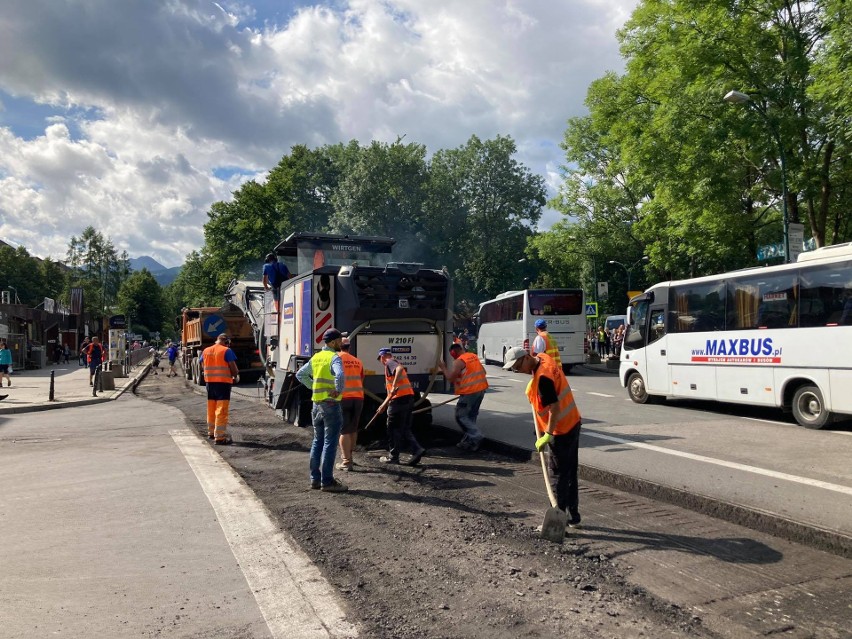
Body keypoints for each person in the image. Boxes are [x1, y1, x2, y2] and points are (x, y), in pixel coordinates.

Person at [503, 345, 582, 528]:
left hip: (560, 430)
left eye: (516, 367)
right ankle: (573, 516)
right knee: (569, 473)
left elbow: (554, 408)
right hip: (573, 422)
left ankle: (558, 520)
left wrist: (547, 434)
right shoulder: (543, 358)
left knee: (557, 477)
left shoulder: (543, 378)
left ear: (526, 358)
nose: (516, 371)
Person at [295, 328, 349, 492]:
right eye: (340, 340)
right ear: (333, 342)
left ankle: (315, 479)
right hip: (331, 405)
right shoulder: (334, 358)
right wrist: (338, 390)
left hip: (316, 405)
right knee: (329, 443)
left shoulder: (316, 357)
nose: (342, 342)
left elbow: (300, 374)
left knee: (317, 441)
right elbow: (339, 376)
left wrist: (314, 388)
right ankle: (327, 481)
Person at [376, 348, 425, 466]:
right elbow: (391, 392)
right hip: (408, 398)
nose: (381, 362)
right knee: (403, 428)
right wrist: (384, 404)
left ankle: (393, 457)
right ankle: (417, 449)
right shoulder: (394, 362)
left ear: (383, 356)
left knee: (393, 429)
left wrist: (394, 385)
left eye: (380, 359)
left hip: (399, 401)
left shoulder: (389, 362)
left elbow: (399, 369)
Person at [438, 343, 488, 452]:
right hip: (481, 390)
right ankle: (470, 442)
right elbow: (484, 372)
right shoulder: (473, 356)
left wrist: (443, 367)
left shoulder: (459, 361)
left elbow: (450, 378)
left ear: (453, 353)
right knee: (471, 416)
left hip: (469, 392)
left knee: (460, 416)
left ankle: (476, 436)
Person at [199, 333, 240, 445]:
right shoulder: (226, 351)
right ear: (226, 341)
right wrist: (235, 375)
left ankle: (211, 432)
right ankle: (220, 437)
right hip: (223, 383)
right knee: (221, 409)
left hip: (210, 383)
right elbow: (233, 367)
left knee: (211, 407)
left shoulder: (206, 350)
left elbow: (201, 364)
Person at [337, 336, 364, 471]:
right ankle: (350, 457)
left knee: (343, 430)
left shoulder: (336, 359)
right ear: (349, 347)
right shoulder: (357, 361)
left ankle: (346, 462)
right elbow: (361, 379)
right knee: (353, 429)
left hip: (343, 398)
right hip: (358, 398)